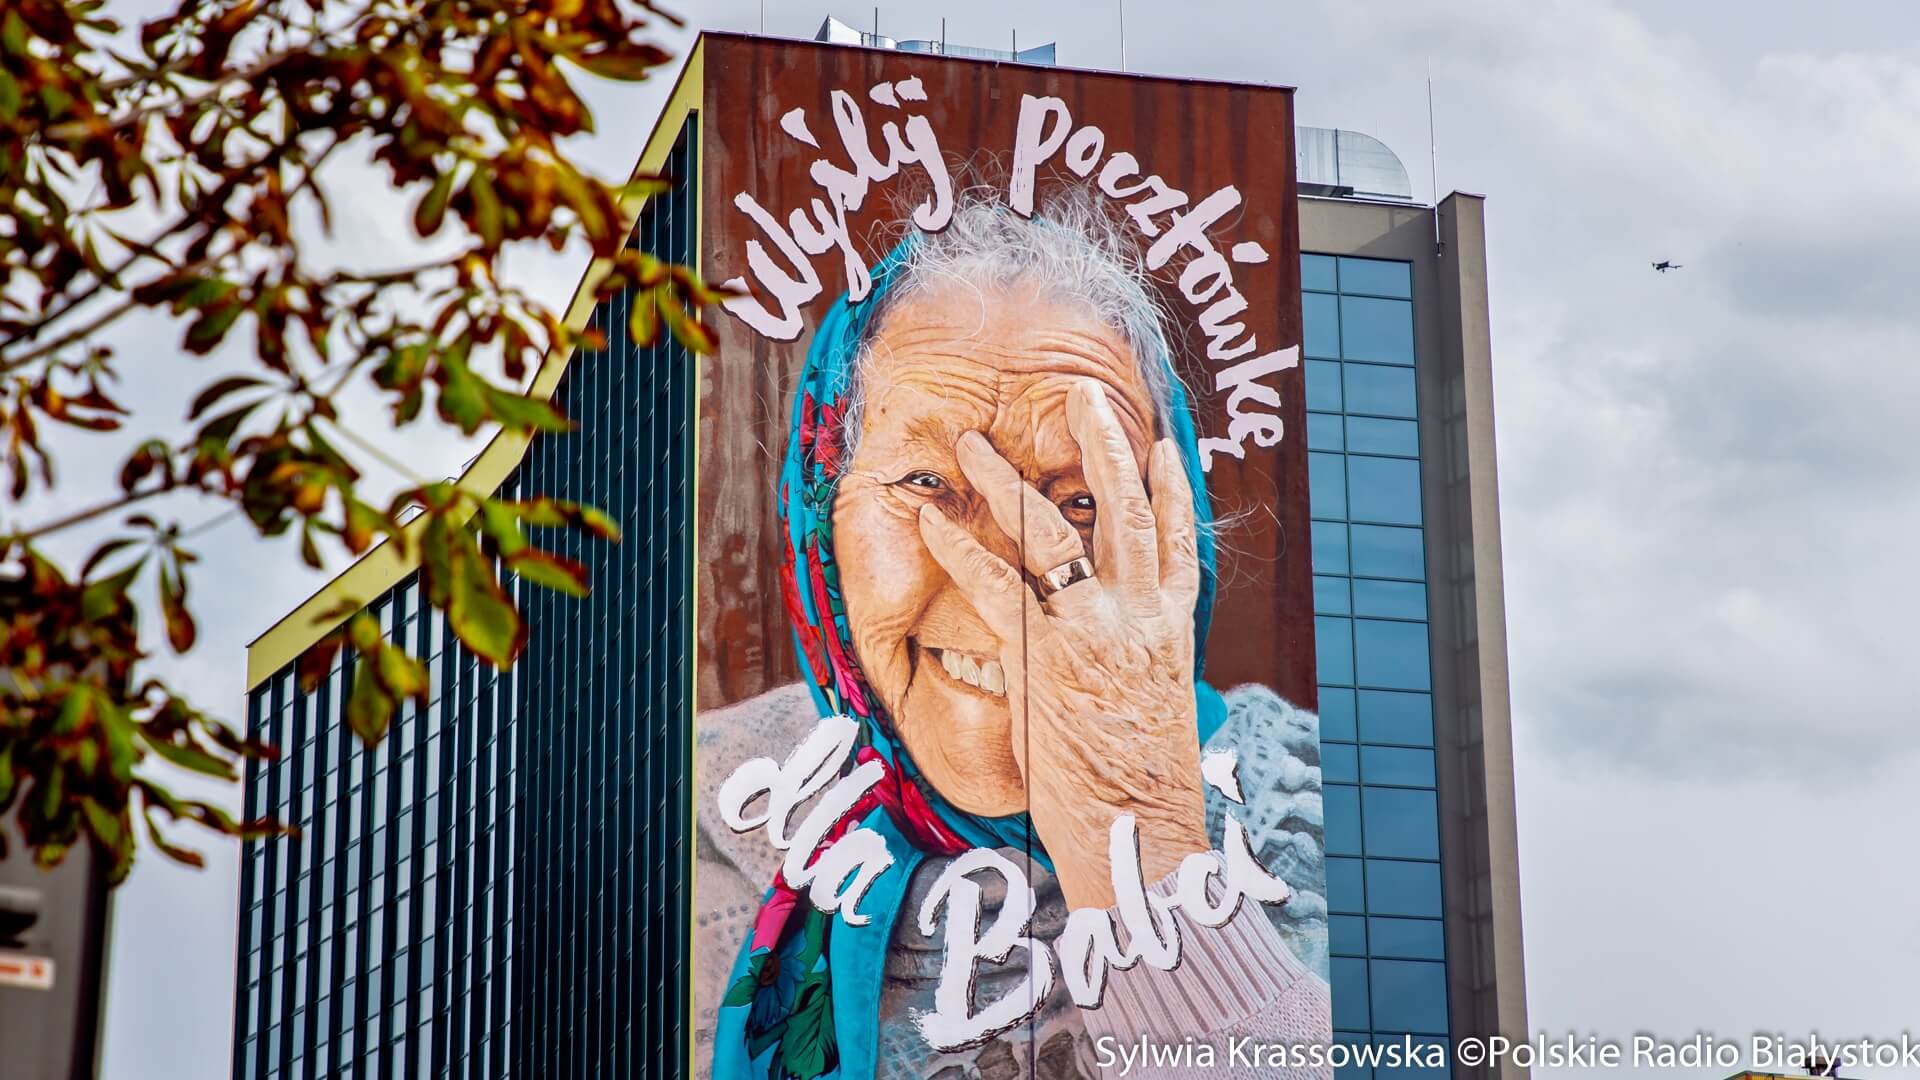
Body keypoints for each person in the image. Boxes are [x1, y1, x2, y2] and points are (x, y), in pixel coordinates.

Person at [697, 187, 1330, 1080]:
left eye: (1078, 501)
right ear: (821, 520)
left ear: (1170, 526)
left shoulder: (1321, 811)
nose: (999, 573)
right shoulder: (698, 815)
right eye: (926, 481)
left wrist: (1142, 839)